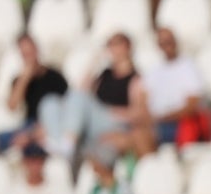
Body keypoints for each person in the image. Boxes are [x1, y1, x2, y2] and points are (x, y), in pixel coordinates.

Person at [37, 32, 141, 160]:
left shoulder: (135, 78)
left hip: (113, 120)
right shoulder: (105, 74)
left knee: (78, 98)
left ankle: (67, 142)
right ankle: (59, 142)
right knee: (50, 102)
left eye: (116, 44)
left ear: (127, 47)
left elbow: (138, 113)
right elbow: (79, 90)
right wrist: (94, 63)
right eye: (110, 45)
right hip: (94, 117)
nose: (112, 49)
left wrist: (112, 111)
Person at [0, 35, 68, 156]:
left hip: (49, 126)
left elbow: (68, 107)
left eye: (30, 52)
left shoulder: (54, 76)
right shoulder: (19, 79)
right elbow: (12, 107)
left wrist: (34, 133)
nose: (28, 57)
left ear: (36, 50)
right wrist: (25, 78)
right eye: (24, 54)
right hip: (27, 126)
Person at [134, 28, 211, 153]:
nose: (167, 45)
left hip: (178, 124)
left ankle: (153, 168)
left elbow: (192, 105)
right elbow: (143, 101)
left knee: (139, 136)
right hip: (157, 123)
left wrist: (161, 118)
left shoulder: (188, 67)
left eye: (169, 41)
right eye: (163, 42)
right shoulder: (154, 71)